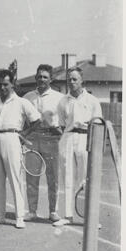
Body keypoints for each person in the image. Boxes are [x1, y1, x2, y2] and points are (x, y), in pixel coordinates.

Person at [0, 70, 41, 229]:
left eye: (5, 84)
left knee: (15, 179)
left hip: (13, 139)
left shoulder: (21, 102)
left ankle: (20, 216)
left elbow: (37, 120)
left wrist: (24, 133)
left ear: (13, 84)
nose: (2, 87)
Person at [54, 66, 102, 227]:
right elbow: (61, 124)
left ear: (82, 81)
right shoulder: (62, 101)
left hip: (86, 139)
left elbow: (98, 124)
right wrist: (66, 136)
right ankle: (67, 216)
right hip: (67, 138)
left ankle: (89, 218)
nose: (71, 82)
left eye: (75, 79)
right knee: (67, 177)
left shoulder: (92, 101)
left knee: (86, 178)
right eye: (69, 79)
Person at [22, 64, 65, 223]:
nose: (42, 79)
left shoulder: (59, 97)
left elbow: (64, 120)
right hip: (32, 138)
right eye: (39, 76)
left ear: (51, 79)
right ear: (35, 77)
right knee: (32, 175)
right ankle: (32, 211)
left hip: (51, 138)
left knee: (52, 176)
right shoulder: (27, 97)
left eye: (45, 77)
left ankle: (53, 211)